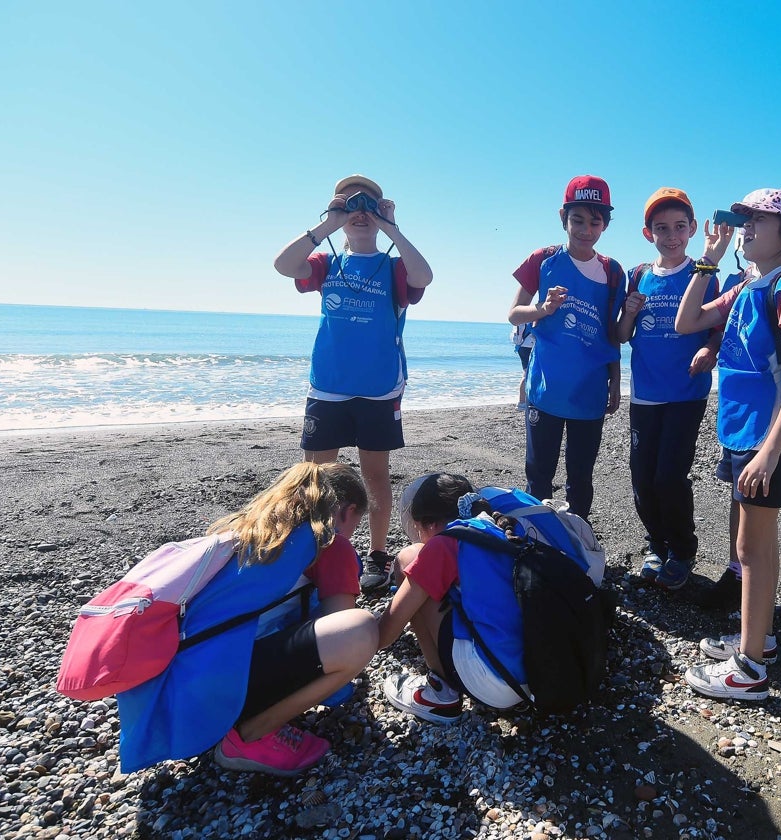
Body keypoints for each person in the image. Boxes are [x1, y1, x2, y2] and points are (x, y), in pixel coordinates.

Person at [119, 463, 379, 776]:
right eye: (357, 523)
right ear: (347, 512)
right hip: (216, 691)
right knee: (360, 631)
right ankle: (249, 736)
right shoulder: (329, 544)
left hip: (171, 689)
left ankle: (232, 723)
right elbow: (342, 626)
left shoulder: (248, 531)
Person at [674, 187, 781, 702]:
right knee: (752, 543)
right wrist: (707, 261)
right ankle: (756, 636)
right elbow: (687, 322)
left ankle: (750, 668)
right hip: (745, 430)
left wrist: (769, 450)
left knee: (752, 548)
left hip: (769, 438)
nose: (745, 228)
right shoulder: (749, 285)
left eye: (757, 221)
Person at [273, 174, 434, 597]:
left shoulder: (394, 267)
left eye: (369, 204)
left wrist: (390, 227)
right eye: (350, 204)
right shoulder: (328, 264)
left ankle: (377, 555)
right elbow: (284, 265)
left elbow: (425, 275)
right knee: (316, 477)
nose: (359, 212)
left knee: (375, 477)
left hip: (378, 389)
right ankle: (316, 550)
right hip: (328, 387)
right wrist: (329, 222)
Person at [617, 188, 719, 589]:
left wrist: (709, 349)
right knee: (642, 476)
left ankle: (682, 549)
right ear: (648, 233)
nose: (671, 235)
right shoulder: (639, 275)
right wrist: (628, 312)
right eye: (662, 228)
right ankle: (655, 545)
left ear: (692, 229)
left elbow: (718, 329)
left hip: (686, 394)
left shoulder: (704, 275)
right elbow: (623, 335)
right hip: (644, 394)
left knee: (669, 477)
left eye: (679, 227)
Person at [508, 175, 626, 520]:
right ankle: (535, 540)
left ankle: (576, 540)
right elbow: (514, 314)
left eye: (595, 221)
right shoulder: (543, 259)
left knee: (580, 479)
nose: (585, 229)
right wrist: (543, 309)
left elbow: (611, 334)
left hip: (589, 393)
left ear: (605, 224)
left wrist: (616, 379)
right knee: (538, 475)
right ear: (564, 217)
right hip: (545, 388)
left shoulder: (613, 272)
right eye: (577, 220)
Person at [378, 473, 526, 724]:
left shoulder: (445, 543)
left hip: (494, 683)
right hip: (535, 675)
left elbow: (385, 636)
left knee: (408, 558)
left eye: (417, 529)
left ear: (431, 524)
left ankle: (440, 693)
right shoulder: (500, 527)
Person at [512, 323, 536, 411]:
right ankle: (521, 402)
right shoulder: (530, 317)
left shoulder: (522, 318)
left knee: (526, 374)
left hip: (522, 346)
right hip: (529, 346)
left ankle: (523, 401)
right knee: (527, 374)